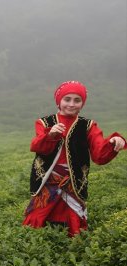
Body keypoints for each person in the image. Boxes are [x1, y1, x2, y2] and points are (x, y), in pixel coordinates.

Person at [23, 80, 126, 236]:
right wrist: (50, 135)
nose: (71, 104)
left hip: (74, 178)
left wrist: (113, 143)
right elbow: (37, 146)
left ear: (82, 103)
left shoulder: (88, 125)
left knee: (73, 215)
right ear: (59, 101)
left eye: (77, 100)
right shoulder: (44, 122)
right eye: (67, 99)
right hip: (48, 177)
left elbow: (99, 155)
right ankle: (36, 239)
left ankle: (73, 241)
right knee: (40, 212)